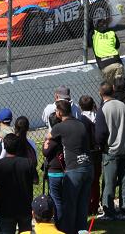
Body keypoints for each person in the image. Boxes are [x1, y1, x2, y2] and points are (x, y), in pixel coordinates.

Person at [45, 99, 93, 233]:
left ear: (60, 113)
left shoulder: (59, 127)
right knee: (83, 203)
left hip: (74, 169)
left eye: (56, 111)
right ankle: (82, 230)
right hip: (88, 167)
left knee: (70, 204)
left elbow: (48, 137)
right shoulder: (81, 124)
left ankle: (68, 230)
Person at [95, 81, 125, 220]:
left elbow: (100, 133)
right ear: (113, 90)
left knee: (109, 183)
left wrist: (100, 146)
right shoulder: (124, 106)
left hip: (111, 150)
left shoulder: (103, 109)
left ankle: (109, 211)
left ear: (100, 93)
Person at [0, 134, 35, 234]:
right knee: (25, 231)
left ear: (4, 147)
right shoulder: (28, 162)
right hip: (24, 206)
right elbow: (35, 180)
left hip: (6, 207)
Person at [43, 113, 66, 226]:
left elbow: (45, 152)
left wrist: (45, 141)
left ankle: (60, 224)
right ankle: (66, 222)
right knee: (64, 198)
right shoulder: (65, 135)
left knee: (56, 200)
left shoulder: (52, 139)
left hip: (54, 173)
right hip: (65, 171)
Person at [91, 18, 124, 85]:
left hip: (104, 64)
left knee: (109, 87)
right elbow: (117, 45)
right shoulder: (112, 33)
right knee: (120, 85)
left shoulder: (93, 34)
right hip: (116, 62)